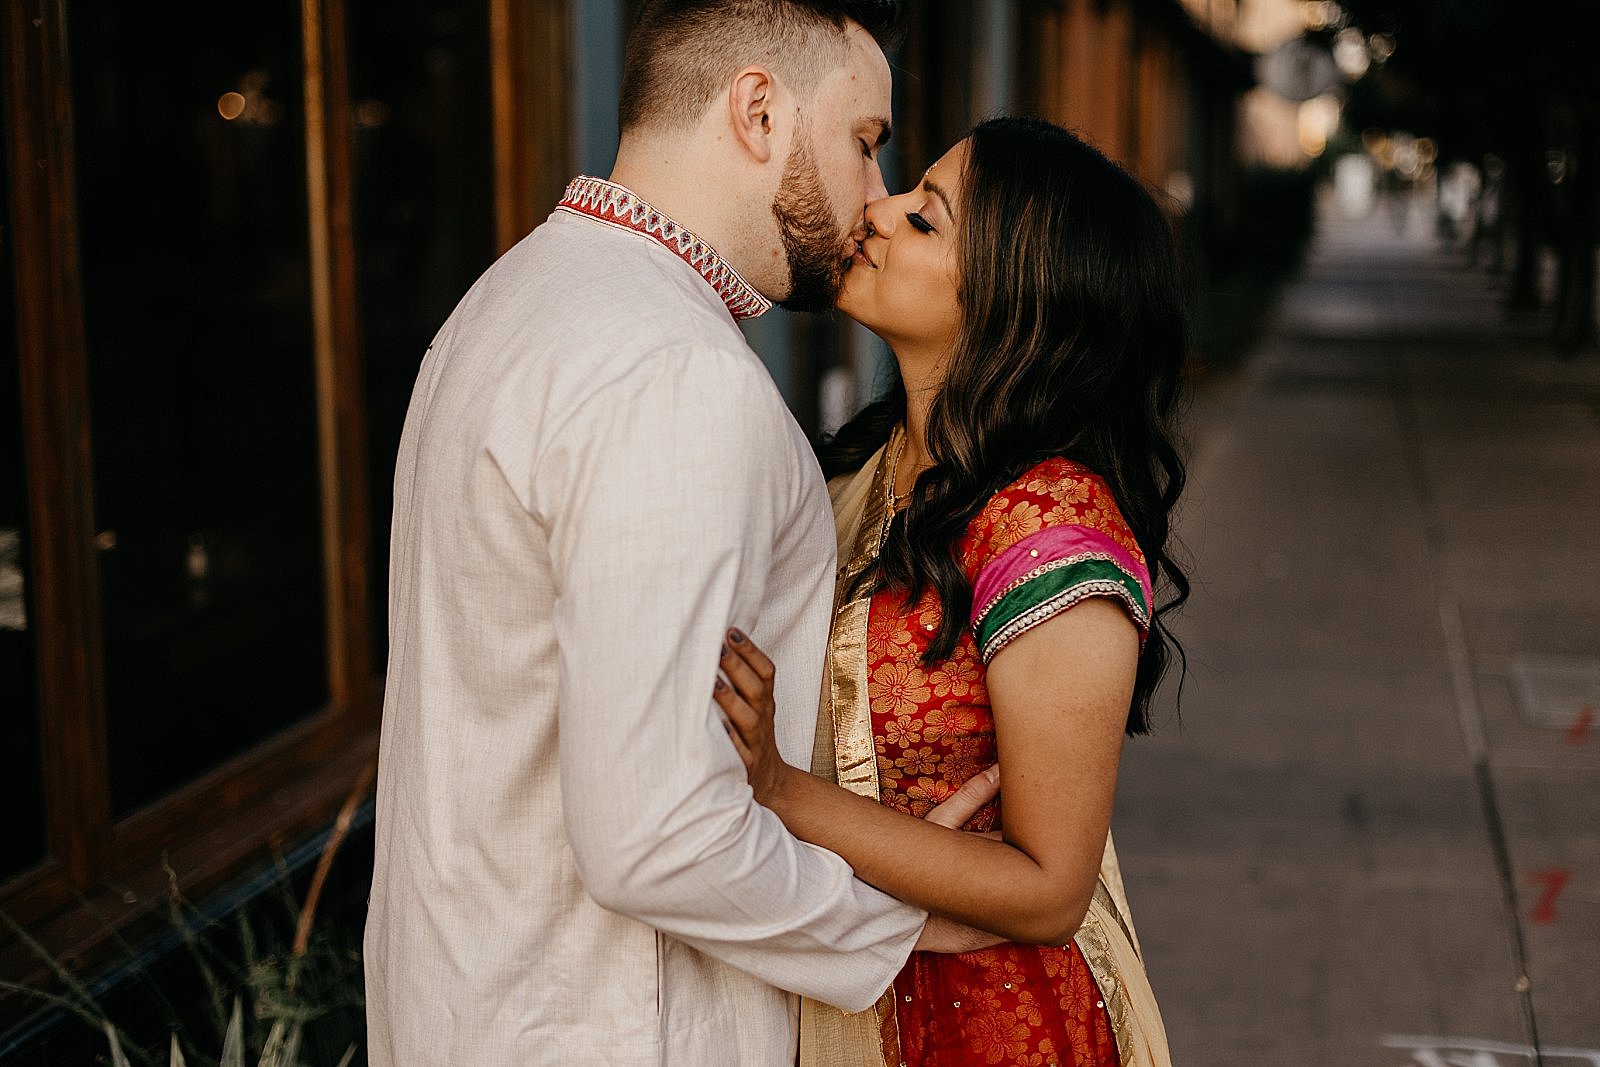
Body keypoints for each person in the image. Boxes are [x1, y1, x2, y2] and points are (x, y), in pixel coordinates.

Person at [363, 3, 993, 1064]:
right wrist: (902, 918)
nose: (876, 197)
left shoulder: (510, 298)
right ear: (757, 112)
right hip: (606, 1025)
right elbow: (658, 834)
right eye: (864, 141)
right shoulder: (674, 373)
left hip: (471, 1003)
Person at [715, 117, 1189, 1066]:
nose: (876, 211)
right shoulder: (876, 469)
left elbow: (1053, 889)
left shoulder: (1052, 531)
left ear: (1019, 300)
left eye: (924, 218)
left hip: (989, 1021)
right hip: (847, 985)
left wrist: (780, 791)